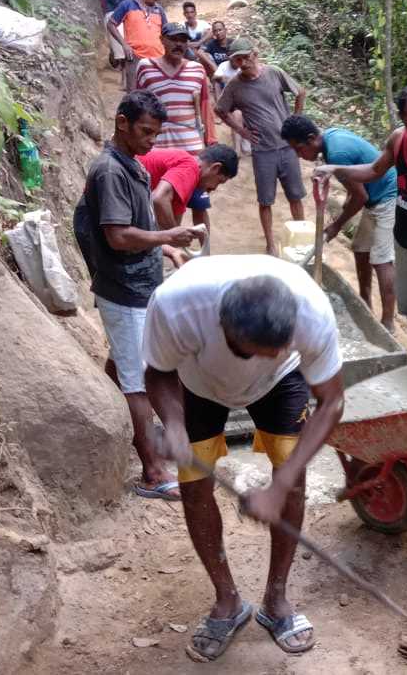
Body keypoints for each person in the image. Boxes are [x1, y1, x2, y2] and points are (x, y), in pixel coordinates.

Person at [143, 255, 344, 662]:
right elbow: (157, 371)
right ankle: (228, 601)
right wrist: (174, 424)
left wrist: (281, 484)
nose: (256, 360)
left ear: (289, 338)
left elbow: (332, 402)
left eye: (270, 350)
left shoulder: (311, 312)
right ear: (222, 327)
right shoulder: (176, 306)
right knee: (193, 485)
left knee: (293, 474)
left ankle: (277, 601)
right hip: (199, 384)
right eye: (249, 352)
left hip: (283, 382)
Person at [72, 91, 203, 502]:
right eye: (146, 132)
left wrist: (161, 246)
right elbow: (117, 235)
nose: (152, 141)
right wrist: (167, 235)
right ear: (122, 122)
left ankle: (120, 415)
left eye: (156, 134)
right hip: (124, 289)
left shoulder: (131, 164)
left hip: (140, 283)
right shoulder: (109, 171)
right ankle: (151, 471)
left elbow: (136, 222)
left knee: (129, 361)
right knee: (139, 382)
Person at [314, 83, 407, 362]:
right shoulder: (398, 140)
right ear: (402, 120)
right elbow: (373, 170)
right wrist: (334, 168)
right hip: (404, 236)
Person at [282, 115, 398, 331]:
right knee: (361, 249)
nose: (299, 155)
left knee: (381, 260)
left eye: (298, 149)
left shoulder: (337, 153)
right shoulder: (330, 138)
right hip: (375, 198)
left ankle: (388, 323)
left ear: (311, 139)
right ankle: (365, 305)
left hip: (389, 196)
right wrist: (345, 208)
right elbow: (357, 190)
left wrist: (336, 226)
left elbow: (360, 196)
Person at [215, 38, 308, 255]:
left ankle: (302, 241)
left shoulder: (273, 72)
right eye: (238, 60)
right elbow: (220, 110)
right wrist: (242, 131)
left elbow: (300, 92)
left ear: (255, 54)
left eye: (246, 57)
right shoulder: (235, 85)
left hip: (287, 147)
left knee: (295, 196)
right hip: (263, 151)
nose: (243, 63)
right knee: (265, 200)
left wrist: (296, 122)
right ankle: (270, 244)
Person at [135, 22, 218, 231]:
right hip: (159, 148)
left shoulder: (197, 69)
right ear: (162, 40)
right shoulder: (146, 67)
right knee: (162, 202)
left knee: (199, 205)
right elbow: (137, 104)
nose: (179, 44)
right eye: (173, 39)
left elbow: (206, 106)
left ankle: (203, 254)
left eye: (183, 40)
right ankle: (169, 253)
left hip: (192, 150)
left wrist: (211, 141)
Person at [139, 145, 239, 245]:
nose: (214, 188)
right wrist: (175, 235)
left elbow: (174, 220)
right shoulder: (189, 167)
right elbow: (158, 199)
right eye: (219, 181)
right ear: (215, 168)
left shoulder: (190, 177)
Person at [107, 0, 167, 91]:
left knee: (158, 93)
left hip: (158, 58)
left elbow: (166, 32)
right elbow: (111, 24)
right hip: (135, 58)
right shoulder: (127, 5)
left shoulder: (159, 9)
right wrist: (124, 44)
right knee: (134, 96)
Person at [183, 1, 216, 75]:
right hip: (190, 54)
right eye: (187, 13)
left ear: (195, 13)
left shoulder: (202, 23)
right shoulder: (182, 26)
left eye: (192, 12)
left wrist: (199, 42)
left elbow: (211, 33)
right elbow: (184, 43)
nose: (190, 15)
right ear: (184, 14)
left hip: (203, 52)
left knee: (207, 55)